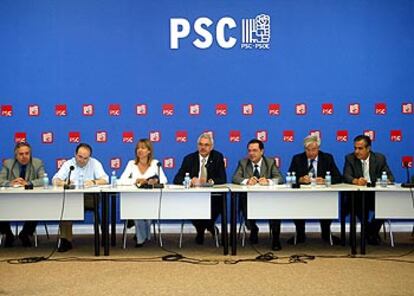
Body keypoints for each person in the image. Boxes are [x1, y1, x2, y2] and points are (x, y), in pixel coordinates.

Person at [52, 143, 108, 252]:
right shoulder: (69, 164)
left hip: (89, 198)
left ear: (89, 157)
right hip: (72, 198)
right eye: (80, 157)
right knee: (65, 205)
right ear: (75, 155)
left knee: (71, 204)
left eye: (86, 158)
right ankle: (65, 240)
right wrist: (65, 183)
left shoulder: (95, 163)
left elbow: (105, 179)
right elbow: (55, 180)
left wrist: (93, 182)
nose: (82, 160)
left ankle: (102, 237)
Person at [287, 135, 342, 245]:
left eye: (314, 149)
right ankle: (300, 234)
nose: (311, 153)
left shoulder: (327, 158)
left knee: (327, 204)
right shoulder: (297, 159)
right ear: (304, 149)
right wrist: (300, 179)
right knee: (296, 204)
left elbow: (339, 177)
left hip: (322, 195)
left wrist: (326, 180)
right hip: (302, 196)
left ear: (319, 148)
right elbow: (289, 179)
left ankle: (326, 233)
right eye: (308, 150)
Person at [173, 133, 227, 245]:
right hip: (193, 196)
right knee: (190, 206)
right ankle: (205, 228)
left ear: (211, 147)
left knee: (217, 205)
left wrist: (210, 182)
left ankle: (204, 228)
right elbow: (177, 179)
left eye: (206, 145)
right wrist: (189, 181)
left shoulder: (217, 157)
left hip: (212, 196)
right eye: (201, 144)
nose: (203, 147)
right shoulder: (189, 159)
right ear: (197, 146)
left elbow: (222, 178)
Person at [232, 139, 284, 251]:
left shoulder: (270, 162)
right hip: (249, 199)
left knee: (276, 208)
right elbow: (235, 178)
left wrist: (268, 181)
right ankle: (253, 229)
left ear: (262, 151)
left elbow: (280, 178)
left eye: (255, 150)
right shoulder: (243, 163)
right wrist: (246, 181)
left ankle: (275, 239)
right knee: (244, 204)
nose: (251, 153)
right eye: (249, 151)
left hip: (269, 199)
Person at [343, 135, 394, 245]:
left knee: (387, 204)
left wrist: (386, 181)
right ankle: (370, 232)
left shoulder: (379, 158)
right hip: (358, 197)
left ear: (368, 148)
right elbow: (346, 176)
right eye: (355, 148)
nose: (356, 151)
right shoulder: (350, 158)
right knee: (358, 203)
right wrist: (356, 181)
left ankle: (370, 230)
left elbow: (390, 177)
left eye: (360, 148)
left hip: (375, 195)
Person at [119, 139, 167, 247]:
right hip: (134, 199)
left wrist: (152, 181)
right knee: (138, 210)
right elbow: (121, 181)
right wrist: (135, 181)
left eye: (143, 148)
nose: (140, 150)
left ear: (149, 151)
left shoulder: (155, 164)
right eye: (138, 148)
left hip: (151, 199)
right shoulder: (131, 164)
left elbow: (164, 180)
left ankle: (142, 235)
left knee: (148, 209)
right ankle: (141, 238)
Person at [0, 142, 46, 247]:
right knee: (1, 207)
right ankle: (8, 234)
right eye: (21, 154)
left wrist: (28, 183)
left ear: (30, 154)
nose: (24, 156)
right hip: (11, 200)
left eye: (27, 153)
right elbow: (0, 180)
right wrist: (10, 183)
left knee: (39, 206)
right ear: (16, 155)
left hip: (31, 199)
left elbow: (44, 180)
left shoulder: (37, 163)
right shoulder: (8, 164)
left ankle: (25, 234)